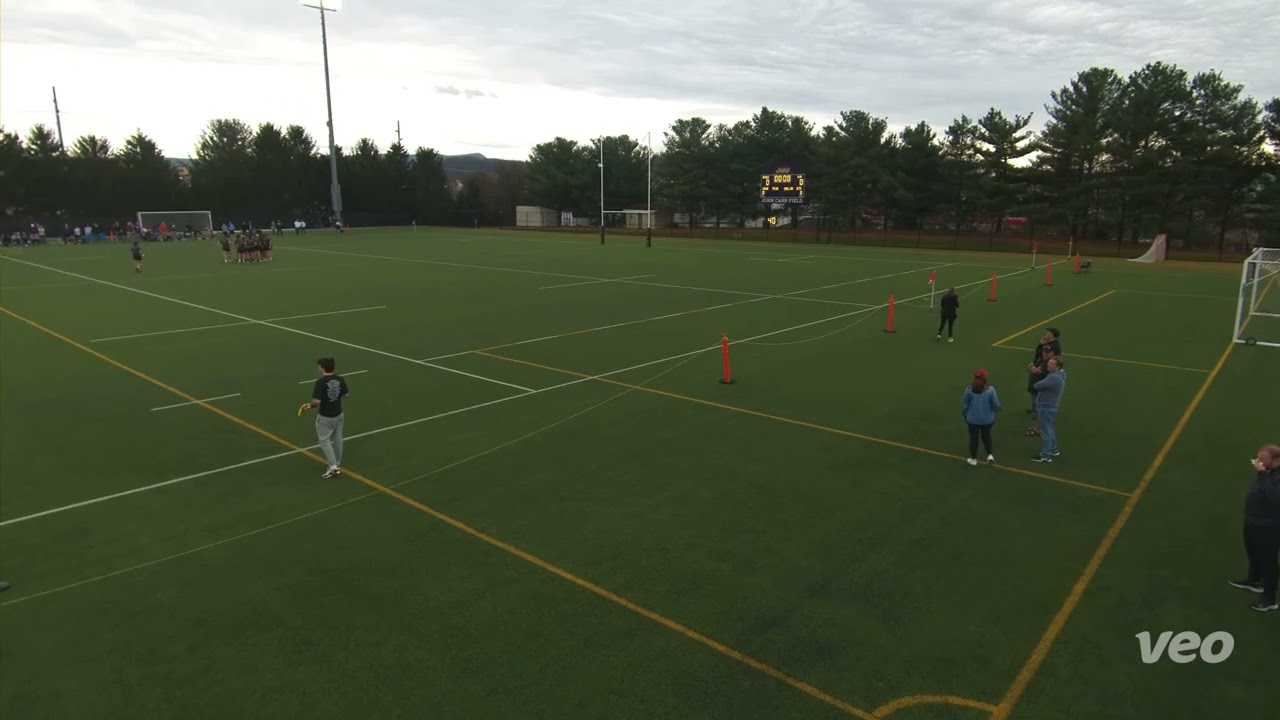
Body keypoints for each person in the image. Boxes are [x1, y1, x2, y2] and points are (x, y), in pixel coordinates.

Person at [1229, 444, 1280, 612]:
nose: (1258, 462)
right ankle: (1254, 581)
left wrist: (1262, 474)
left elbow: (1274, 497)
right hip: (1254, 521)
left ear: (1277, 461)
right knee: (1253, 553)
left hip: (1269, 527)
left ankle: (1269, 599)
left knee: (1268, 561)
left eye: (1263, 460)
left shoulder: (1271, 475)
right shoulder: (1268, 472)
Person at [304, 357, 350, 478]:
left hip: (326, 416)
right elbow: (346, 394)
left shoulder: (321, 382)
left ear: (322, 368)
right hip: (338, 413)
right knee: (338, 438)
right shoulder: (339, 379)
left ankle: (333, 466)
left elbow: (316, 402)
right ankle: (337, 463)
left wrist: (309, 405)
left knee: (324, 440)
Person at [961, 368, 1001, 465]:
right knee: (986, 436)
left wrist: (965, 415)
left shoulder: (969, 390)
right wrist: (998, 409)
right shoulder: (990, 390)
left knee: (973, 438)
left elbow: (965, 405)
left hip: (973, 419)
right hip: (987, 419)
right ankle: (990, 455)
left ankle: (973, 459)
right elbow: (996, 405)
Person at [1031, 357, 1066, 462]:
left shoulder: (1053, 377)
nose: (1048, 365)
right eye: (1049, 363)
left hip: (1046, 407)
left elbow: (1037, 386)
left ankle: (1046, 455)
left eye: (1051, 364)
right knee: (1049, 429)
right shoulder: (1060, 375)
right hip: (1051, 407)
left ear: (1057, 367)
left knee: (1046, 432)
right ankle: (1054, 449)